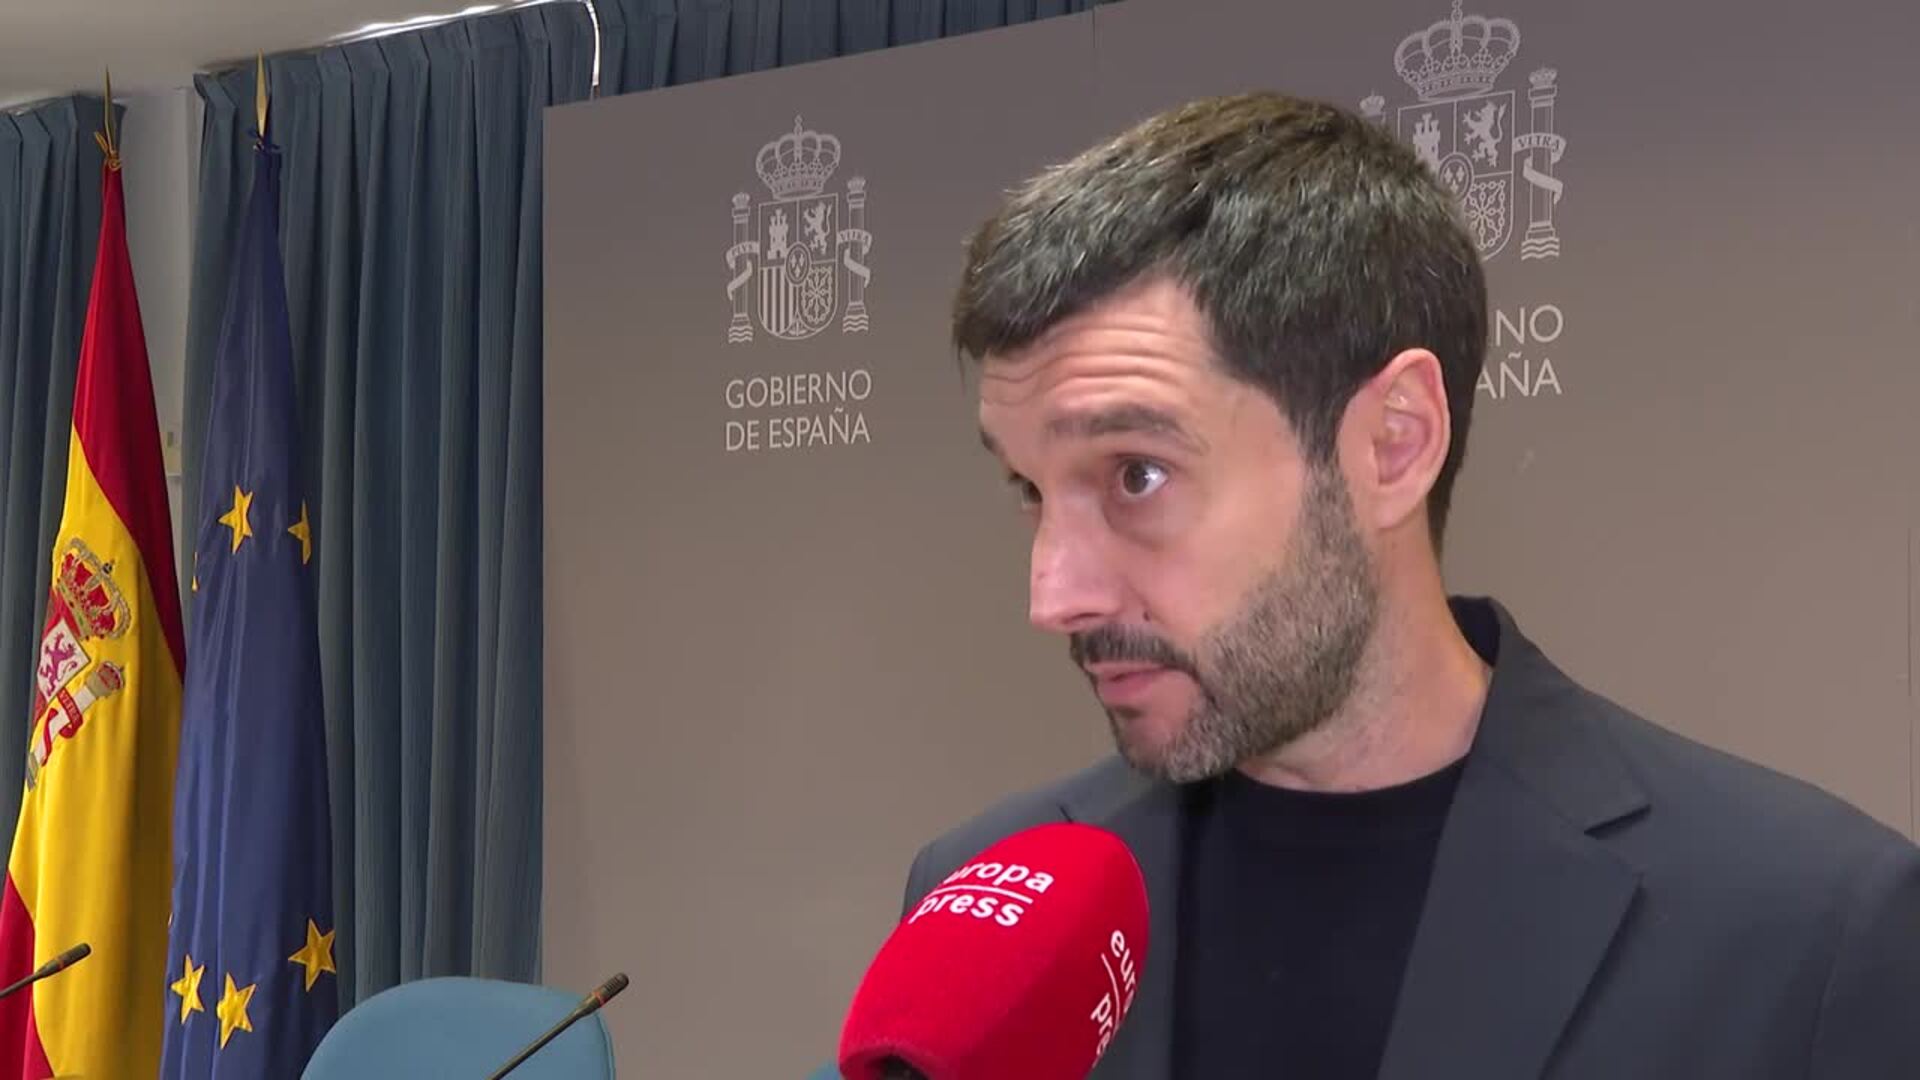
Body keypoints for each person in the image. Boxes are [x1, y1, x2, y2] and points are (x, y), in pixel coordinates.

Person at [901, 91, 1920, 1078]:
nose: (1054, 596)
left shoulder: (1807, 934)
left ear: (1394, 443)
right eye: (1029, 488)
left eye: (1137, 475)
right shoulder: (978, 905)